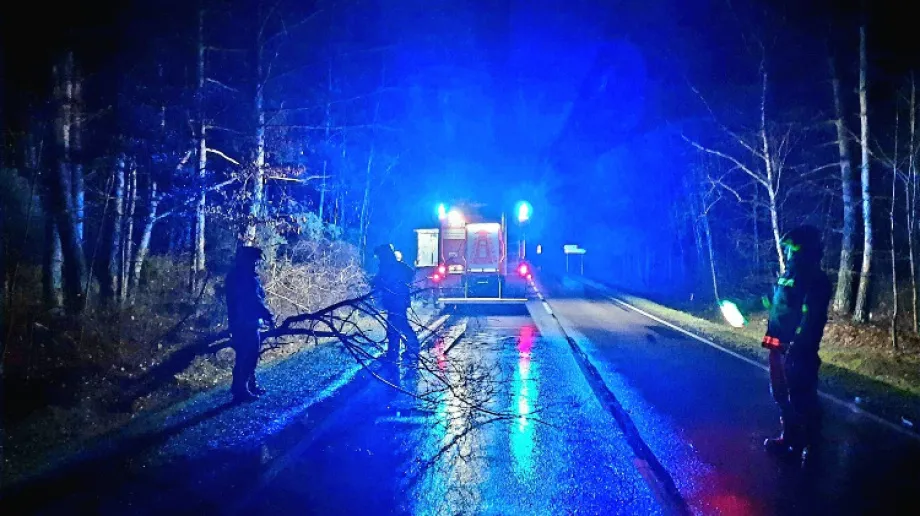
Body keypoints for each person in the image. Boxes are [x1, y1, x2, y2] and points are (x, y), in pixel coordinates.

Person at [761, 226, 831, 465]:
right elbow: (780, 304)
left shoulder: (815, 278)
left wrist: (798, 346)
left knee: (801, 396)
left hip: (797, 350)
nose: (788, 252)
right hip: (777, 344)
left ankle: (811, 445)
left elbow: (811, 317)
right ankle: (788, 438)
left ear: (804, 248)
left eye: (792, 248)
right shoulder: (789, 274)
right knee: (781, 394)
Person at [226, 246, 274, 403]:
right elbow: (254, 300)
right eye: (256, 260)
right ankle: (241, 390)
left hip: (240, 322)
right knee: (248, 356)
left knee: (247, 355)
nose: (257, 264)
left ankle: (249, 386)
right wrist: (267, 314)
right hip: (246, 323)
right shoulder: (245, 278)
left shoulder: (236, 276)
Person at [372, 243, 419, 381]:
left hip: (397, 301)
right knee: (395, 326)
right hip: (395, 301)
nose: (379, 258)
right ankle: (397, 351)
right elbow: (380, 280)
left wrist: (395, 284)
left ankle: (407, 350)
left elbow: (408, 275)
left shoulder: (392, 265)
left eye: (380, 255)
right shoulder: (392, 265)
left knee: (399, 325)